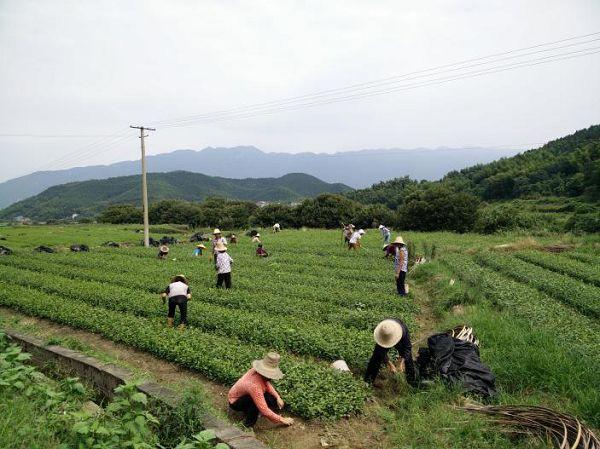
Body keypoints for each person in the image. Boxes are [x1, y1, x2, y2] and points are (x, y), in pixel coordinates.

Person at [228, 352, 294, 428]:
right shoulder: (254, 386)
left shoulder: (258, 373)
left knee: (270, 397)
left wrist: (277, 397)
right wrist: (282, 419)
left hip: (244, 395)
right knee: (256, 404)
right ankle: (247, 426)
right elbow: (264, 409)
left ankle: (261, 411)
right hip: (235, 402)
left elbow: (266, 384)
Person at [364, 318, 417, 387]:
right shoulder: (382, 331)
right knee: (376, 356)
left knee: (408, 358)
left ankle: (411, 382)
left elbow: (407, 348)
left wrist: (402, 362)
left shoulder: (402, 332)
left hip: (399, 335)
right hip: (385, 336)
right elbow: (381, 352)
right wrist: (390, 364)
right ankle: (368, 381)